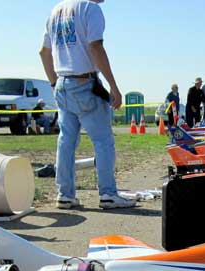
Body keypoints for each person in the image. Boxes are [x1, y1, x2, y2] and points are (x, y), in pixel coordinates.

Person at [40, 0, 134, 210]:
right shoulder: (90, 9)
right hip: (84, 82)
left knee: (66, 142)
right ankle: (108, 193)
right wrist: (113, 85)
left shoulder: (55, 12)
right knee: (103, 140)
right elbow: (95, 46)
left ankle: (65, 194)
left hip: (62, 83)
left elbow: (44, 52)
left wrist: (54, 82)